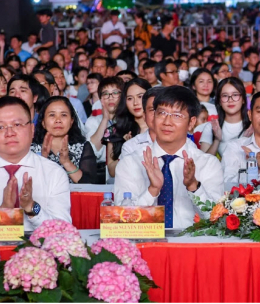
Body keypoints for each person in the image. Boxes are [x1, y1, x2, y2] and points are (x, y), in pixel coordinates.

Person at [114, 86, 222, 229]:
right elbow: (121, 224)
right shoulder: (130, 163)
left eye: (177, 115)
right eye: (162, 113)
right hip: (145, 241)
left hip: (192, 240)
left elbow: (217, 220)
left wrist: (194, 187)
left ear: (191, 123)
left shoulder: (208, 164)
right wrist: (152, 190)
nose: (167, 122)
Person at [0, 97, 72, 230]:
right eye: (0, 127)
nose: (9, 133)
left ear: (32, 129)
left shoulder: (54, 173)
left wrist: (31, 207)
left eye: (17, 125)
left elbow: (63, 230)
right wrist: (4, 210)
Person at [30, 96, 99, 184]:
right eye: (52, 115)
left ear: (71, 121)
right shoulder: (30, 149)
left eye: (63, 115)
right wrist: (43, 158)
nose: (58, 120)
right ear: (43, 122)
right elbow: (27, 183)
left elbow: (90, 185)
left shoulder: (83, 147)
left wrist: (66, 162)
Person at [105, 78, 150, 179]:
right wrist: (128, 151)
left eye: (140, 97)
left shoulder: (159, 128)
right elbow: (112, 171)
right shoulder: (114, 131)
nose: (135, 103)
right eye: (130, 98)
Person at [86, 76, 123, 182]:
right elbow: (92, 151)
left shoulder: (128, 122)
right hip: (98, 174)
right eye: (105, 94)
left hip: (121, 172)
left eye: (115, 93)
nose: (110, 97)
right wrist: (105, 119)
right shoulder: (92, 121)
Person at [208, 76, 250, 157]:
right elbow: (204, 161)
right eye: (225, 96)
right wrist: (217, 140)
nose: (230, 100)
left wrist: (245, 139)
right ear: (219, 101)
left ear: (243, 99)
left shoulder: (252, 127)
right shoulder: (211, 127)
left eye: (235, 95)